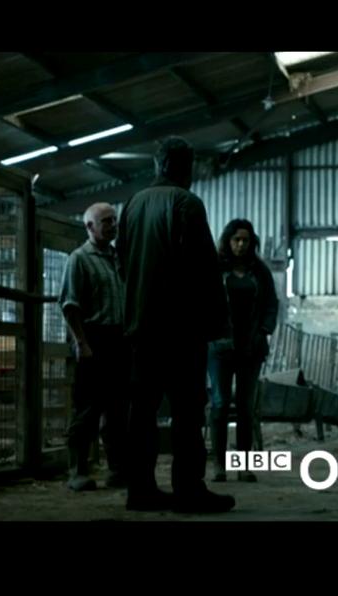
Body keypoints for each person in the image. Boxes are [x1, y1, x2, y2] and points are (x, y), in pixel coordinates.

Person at [116, 136, 235, 513]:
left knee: (142, 412)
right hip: (181, 330)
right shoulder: (186, 203)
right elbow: (204, 269)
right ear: (185, 167)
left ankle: (140, 490)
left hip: (141, 328)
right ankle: (188, 490)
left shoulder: (132, 204)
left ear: (157, 165)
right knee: (187, 411)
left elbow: (122, 263)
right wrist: (218, 323)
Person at [59, 202, 128, 491]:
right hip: (93, 338)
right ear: (89, 226)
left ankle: (117, 470)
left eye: (114, 220)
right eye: (106, 221)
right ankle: (77, 471)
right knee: (87, 408)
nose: (113, 225)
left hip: (118, 339)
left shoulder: (117, 258)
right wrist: (81, 342)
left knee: (117, 410)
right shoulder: (79, 259)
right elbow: (70, 305)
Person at [208, 219, 279, 483]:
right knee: (220, 403)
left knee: (246, 406)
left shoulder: (259, 271)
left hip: (252, 346)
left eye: (245, 240)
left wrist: (264, 330)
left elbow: (271, 304)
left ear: (251, 242)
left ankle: (244, 465)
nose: (240, 244)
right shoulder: (214, 269)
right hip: (220, 346)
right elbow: (203, 302)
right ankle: (219, 464)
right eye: (236, 239)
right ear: (228, 241)